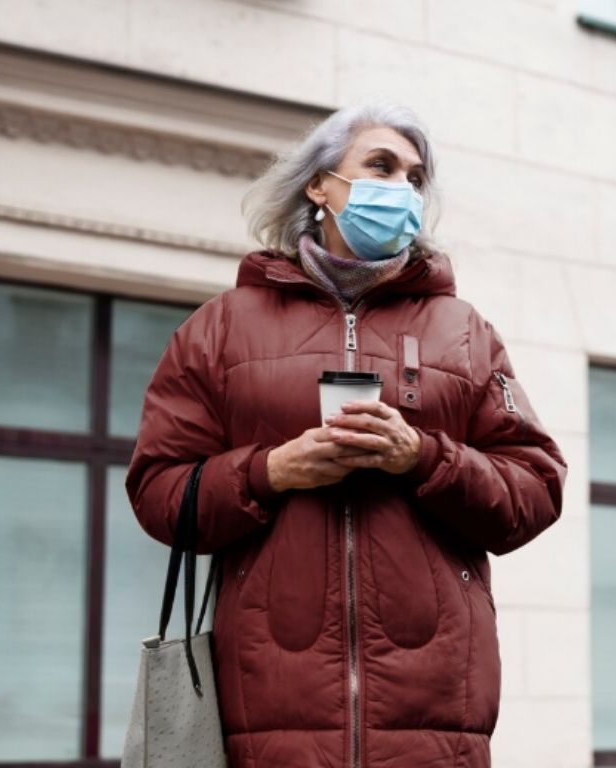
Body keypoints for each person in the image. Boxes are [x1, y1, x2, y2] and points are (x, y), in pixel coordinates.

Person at [126, 100, 566, 768]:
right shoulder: (220, 329)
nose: (403, 190)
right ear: (318, 185)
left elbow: (534, 489)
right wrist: (272, 471)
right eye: (382, 166)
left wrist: (422, 458)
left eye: (415, 179)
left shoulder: (464, 332)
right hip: (270, 718)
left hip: (437, 721)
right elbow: (159, 491)